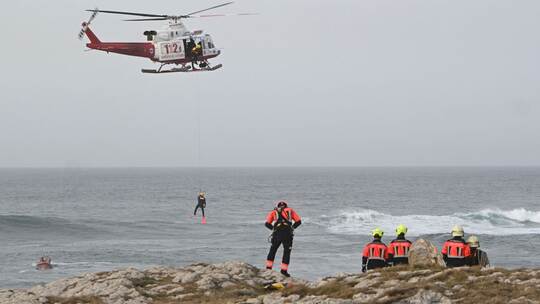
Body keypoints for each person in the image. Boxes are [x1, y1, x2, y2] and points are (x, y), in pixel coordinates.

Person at [265, 201, 302, 277]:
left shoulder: (274, 212)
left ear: (278, 206)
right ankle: (284, 271)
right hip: (287, 234)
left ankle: (268, 269)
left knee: (273, 250)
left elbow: (267, 224)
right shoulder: (290, 210)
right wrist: (292, 228)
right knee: (286, 252)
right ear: (286, 206)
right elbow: (298, 222)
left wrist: (273, 229)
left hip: (277, 233)